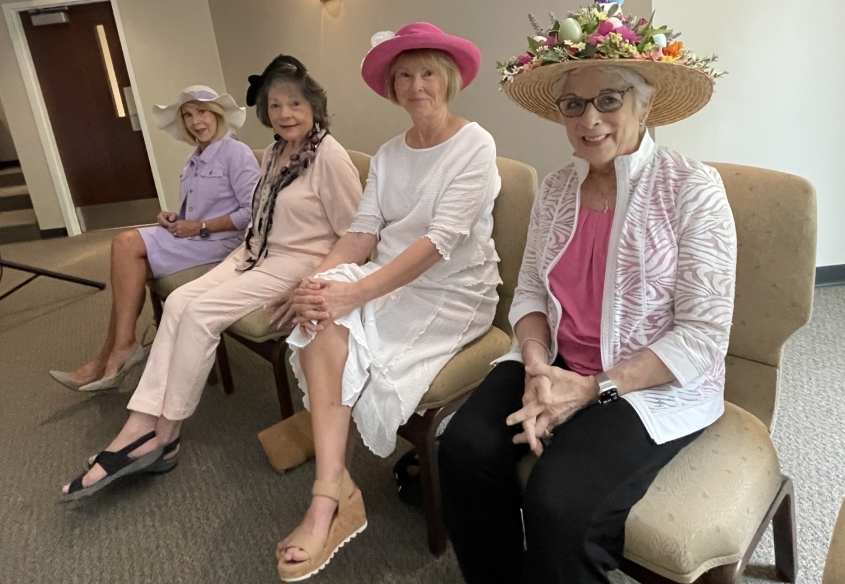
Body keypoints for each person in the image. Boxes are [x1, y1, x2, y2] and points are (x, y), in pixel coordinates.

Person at [438, 4, 737, 583]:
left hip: (644, 385)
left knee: (560, 503)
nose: (589, 119)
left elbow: (702, 336)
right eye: (573, 103)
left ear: (645, 105)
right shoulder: (556, 189)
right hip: (552, 360)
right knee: (463, 449)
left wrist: (590, 389)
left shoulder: (692, 188)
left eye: (610, 99)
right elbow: (528, 292)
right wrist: (533, 364)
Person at [59, 55, 363, 501]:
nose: (284, 114)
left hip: (297, 262)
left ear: (313, 106)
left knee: (199, 314)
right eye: (274, 106)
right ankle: (144, 424)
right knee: (181, 302)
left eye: (294, 104)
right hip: (256, 251)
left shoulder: (329, 157)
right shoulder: (278, 151)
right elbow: (261, 215)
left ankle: (159, 432)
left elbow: (355, 233)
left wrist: (312, 280)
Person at [273, 22, 501, 582]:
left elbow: (438, 244)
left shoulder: (475, 143)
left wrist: (354, 290)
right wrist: (316, 281)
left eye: (427, 73)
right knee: (319, 315)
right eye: (404, 75)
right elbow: (363, 230)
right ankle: (335, 491)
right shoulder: (391, 151)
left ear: (447, 80)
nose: (416, 85)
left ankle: (326, 489)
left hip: (454, 290)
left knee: (337, 319)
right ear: (392, 86)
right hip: (385, 274)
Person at [49, 86, 260, 392]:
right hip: (196, 238)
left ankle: (121, 351)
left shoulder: (235, 152)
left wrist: (199, 227)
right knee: (129, 276)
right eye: (187, 115)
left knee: (124, 243)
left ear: (217, 115)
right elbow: (198, 210)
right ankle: (103, 361)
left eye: (202, 112)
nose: (195, 121)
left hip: (222, 244)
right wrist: (175, 218)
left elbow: (251, 212)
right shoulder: (194, 159)